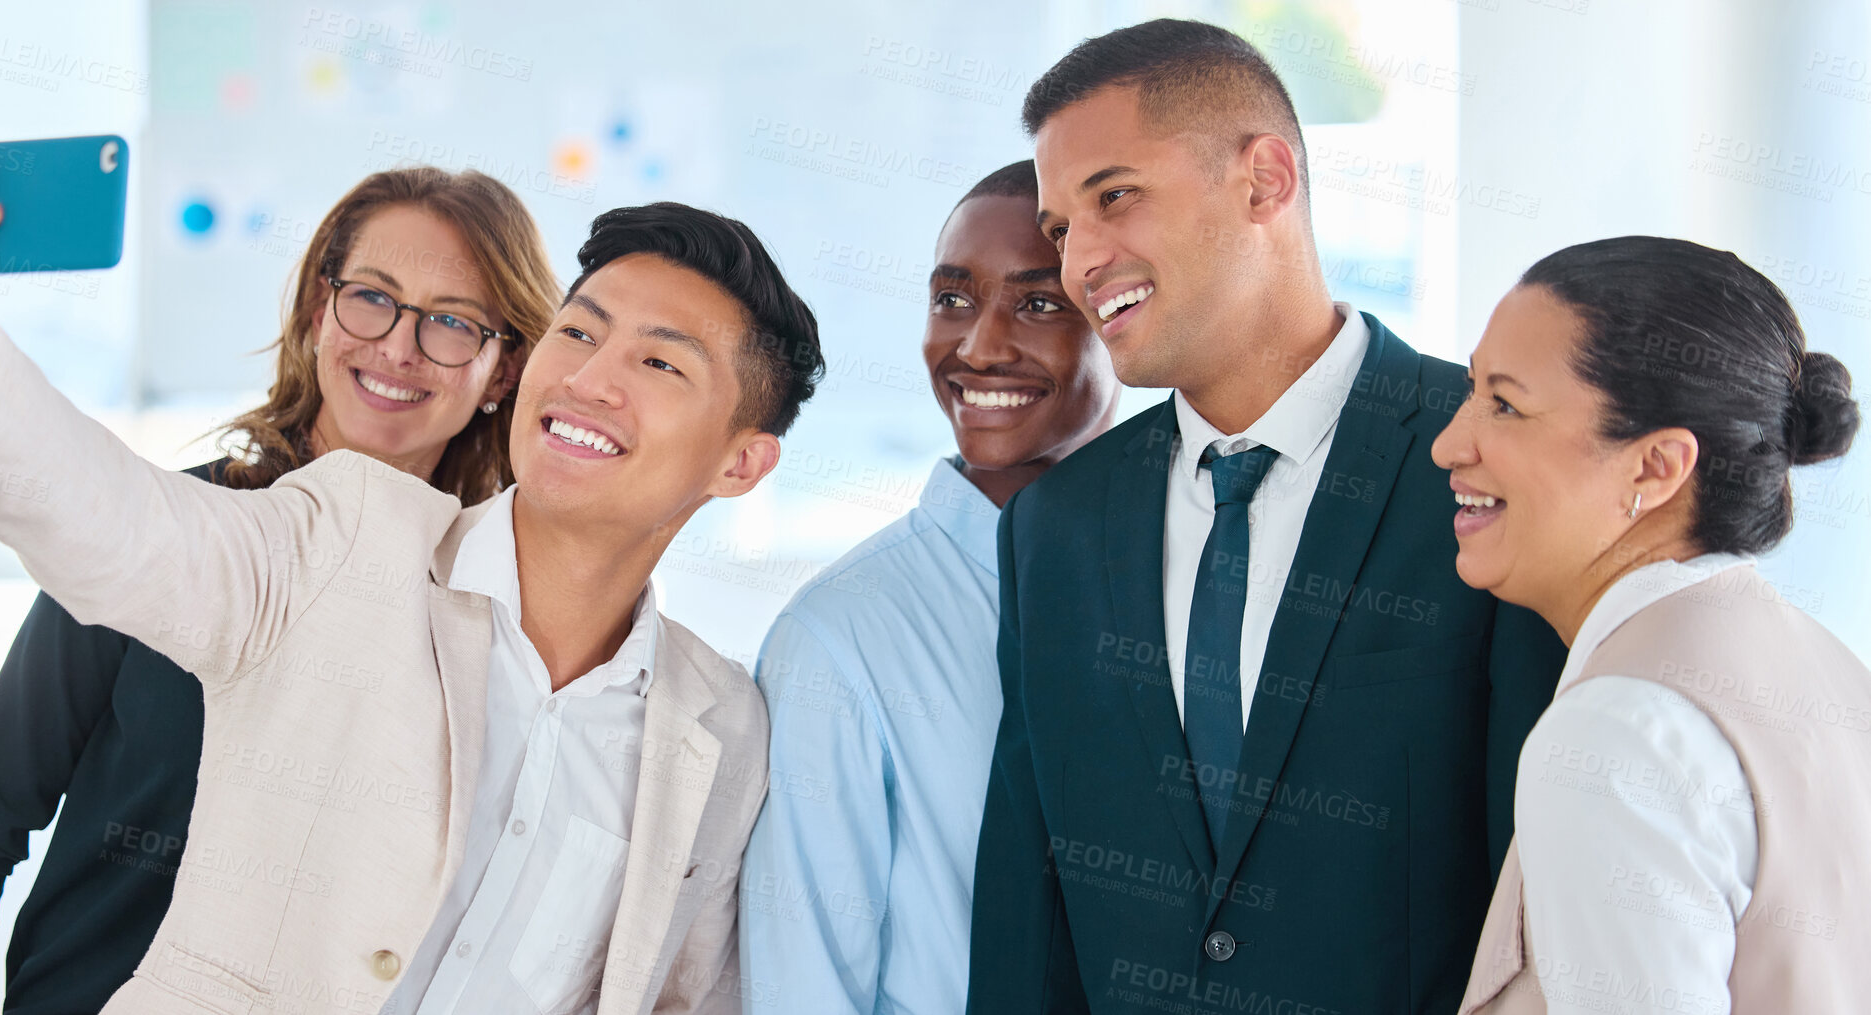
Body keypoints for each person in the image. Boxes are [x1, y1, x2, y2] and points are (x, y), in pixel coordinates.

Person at [0, 119, 823, 1015]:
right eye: (579, 334)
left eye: (661, 362)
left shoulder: (723, 730)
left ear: (740, 462)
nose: (590, 378)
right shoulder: (339, 533)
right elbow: (99, 514)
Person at [967, 21, 1567, 1014]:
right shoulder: (1053, 527)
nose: (1079, 260)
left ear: (1263, 180)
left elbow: (1536, 881)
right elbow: (1027, 927)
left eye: (1113, 196)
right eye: (1062, 227)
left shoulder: (1480, 462)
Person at [0, 164, 558, 1015]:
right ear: (320, 312)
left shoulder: (485, 611)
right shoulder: (166, 536)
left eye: (452, 323)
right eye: (372, 297)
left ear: (503, 372)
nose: (398, 346)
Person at [1439, 237, 1868, 1015]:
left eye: (1506, 403)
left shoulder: (1614, 735)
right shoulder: (1832, 671)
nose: (1449, 443)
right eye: (1472, 391)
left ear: (1656, 466)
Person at [738, 159, 1118, 1014]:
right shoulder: (838, 640)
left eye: (1040, 302)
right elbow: (805, 985)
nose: (978, 345)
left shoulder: (1194, 589)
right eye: (952, 299)